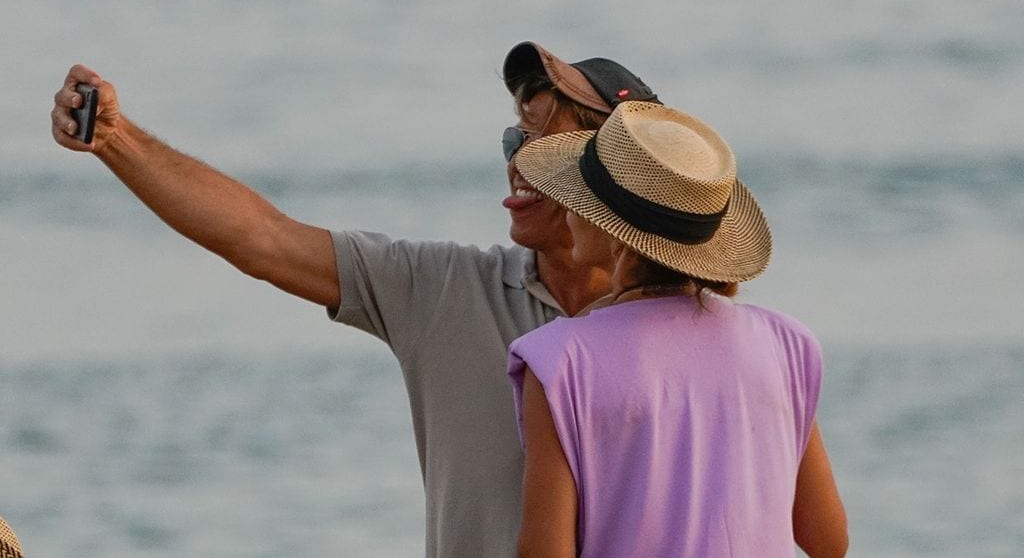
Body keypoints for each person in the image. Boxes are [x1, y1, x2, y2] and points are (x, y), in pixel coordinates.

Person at [49, 42, 662, 557]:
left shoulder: (701, 332)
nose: (520, 164)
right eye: (515, 142)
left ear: (621, 171)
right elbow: (263, 239)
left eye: (547, 147)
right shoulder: (442, 289)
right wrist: (117, 139)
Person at [507, 101, 849, 557]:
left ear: (610, 229)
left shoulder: (559, 360)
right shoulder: (785, 343)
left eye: (577, 195)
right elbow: (828, 542)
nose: (567, 208)